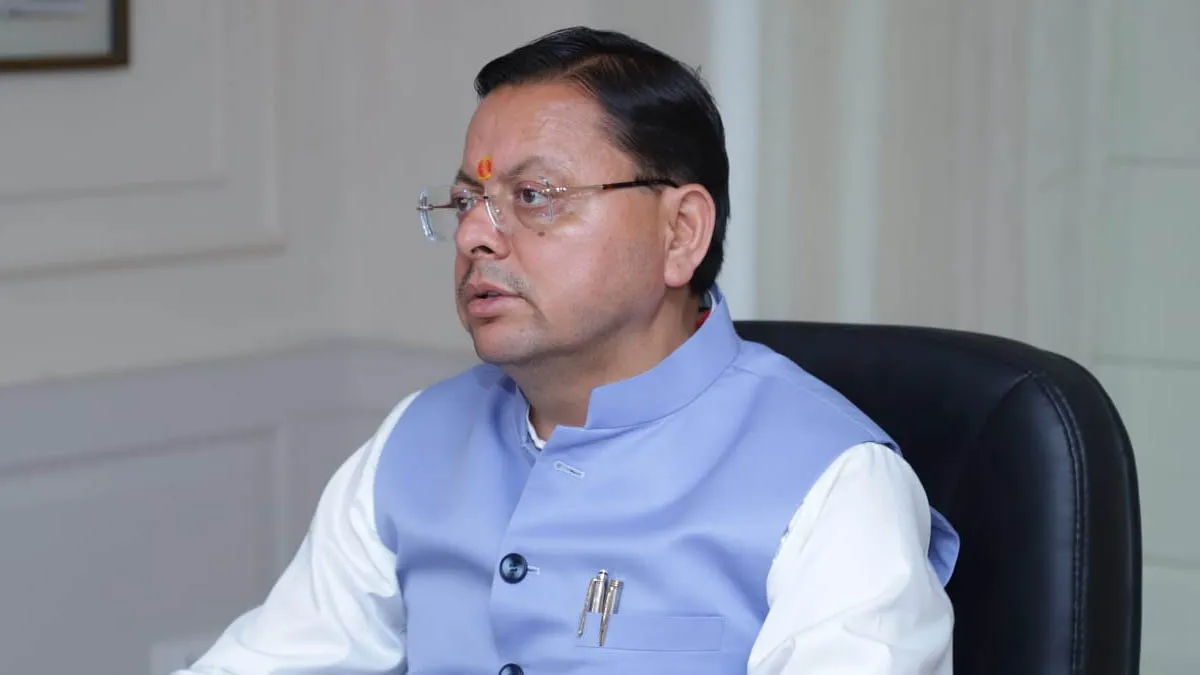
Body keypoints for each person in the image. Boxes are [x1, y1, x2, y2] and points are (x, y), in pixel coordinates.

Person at [179, 26, 959, 675]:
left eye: (534, 196)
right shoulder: (415, 442)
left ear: (681, 232)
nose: (475, 234)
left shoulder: (835, 482)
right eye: (467, 200)